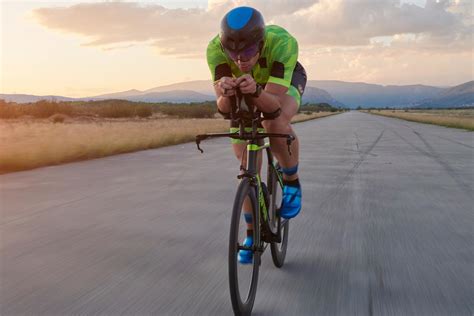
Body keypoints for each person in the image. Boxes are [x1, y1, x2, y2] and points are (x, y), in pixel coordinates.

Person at [206, 6, 307, 264]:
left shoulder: (283, 43)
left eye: (249, 51)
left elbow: (272, 106)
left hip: (281, 81)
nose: (240, 61)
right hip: (248, 87)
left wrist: (255, 91)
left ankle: (292, 182)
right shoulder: (214, 49)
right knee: (244, 166)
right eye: (233, 54)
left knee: (275, 124)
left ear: (260, 43)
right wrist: (225, 94)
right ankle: (251, 233)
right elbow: (224, 111)